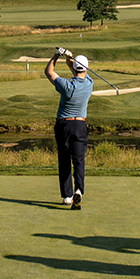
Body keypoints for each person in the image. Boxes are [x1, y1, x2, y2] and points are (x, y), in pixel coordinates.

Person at [45, 47, 93, 209]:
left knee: (64, 160)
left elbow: (49, 71)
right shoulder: (89, 83)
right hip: (80, 125)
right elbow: (75, 68)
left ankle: (67, 196)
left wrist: (58, 55)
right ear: (86, 68)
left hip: (64, 125)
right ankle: (78, 190)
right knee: (78, 160)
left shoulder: (65, 85)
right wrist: (70, 59)